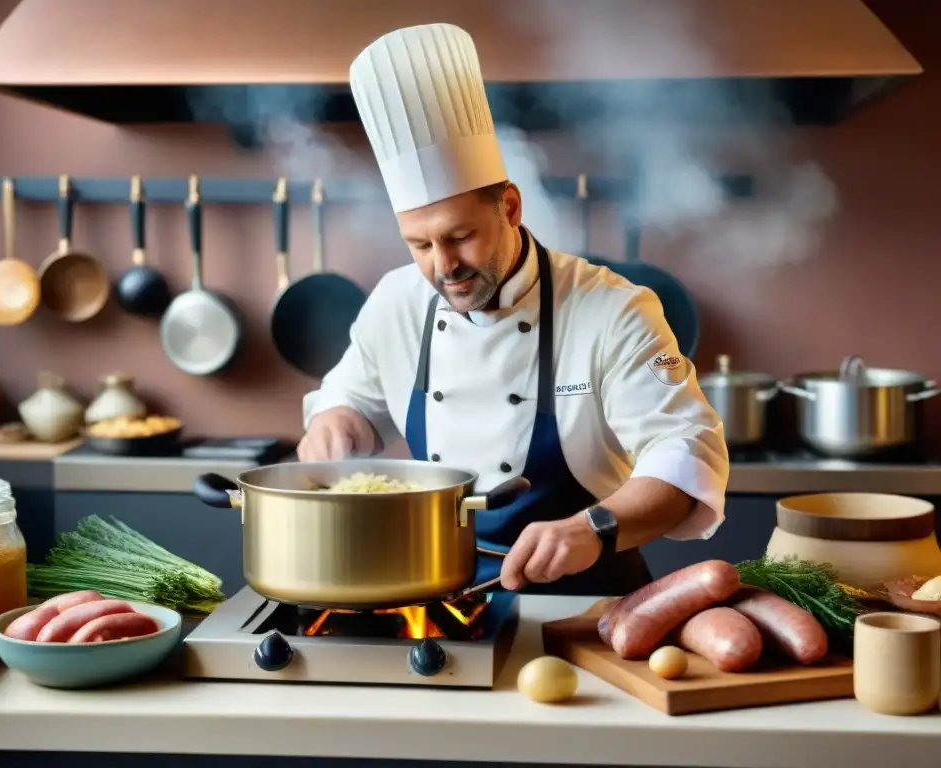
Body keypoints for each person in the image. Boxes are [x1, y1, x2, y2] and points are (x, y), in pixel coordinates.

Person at [298, 23, 729, 597]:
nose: (443, 266)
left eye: (460, 237)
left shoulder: (614, 311)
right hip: (435, 594)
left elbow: (684, 454)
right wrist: (335, 426)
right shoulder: (396, 302)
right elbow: (349, 401)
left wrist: (594, 527)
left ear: (509, 206)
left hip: (587, 603)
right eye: (420, 245)